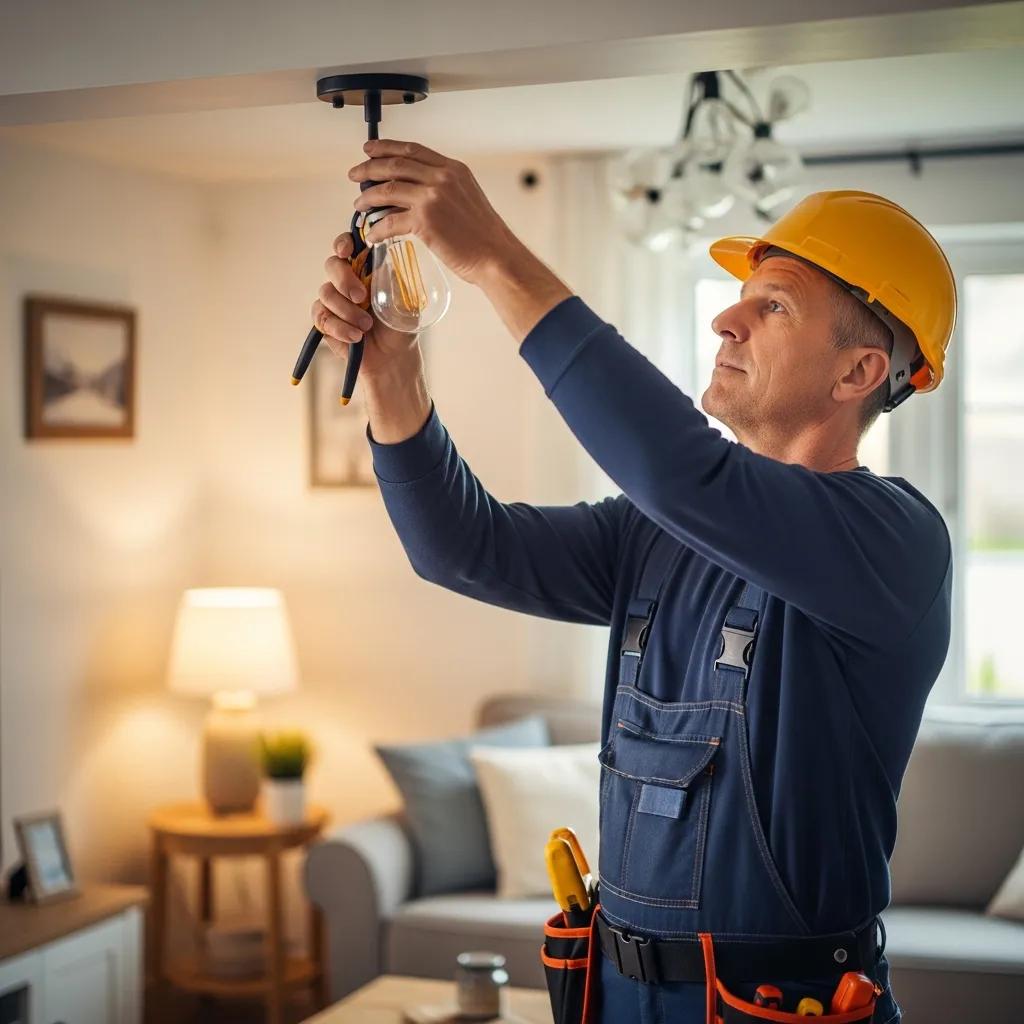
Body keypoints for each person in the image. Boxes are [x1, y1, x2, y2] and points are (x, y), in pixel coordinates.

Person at [310, 138, 956, 1024]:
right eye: (737, 302)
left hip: (777, 1008)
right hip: (612, 996)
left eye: (772, 308)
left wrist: (493, 252)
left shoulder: (894, 542)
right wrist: (393, 370)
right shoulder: (657, 534)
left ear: (858, 372)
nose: (728, 322)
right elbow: (461, 548)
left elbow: (681, 471)